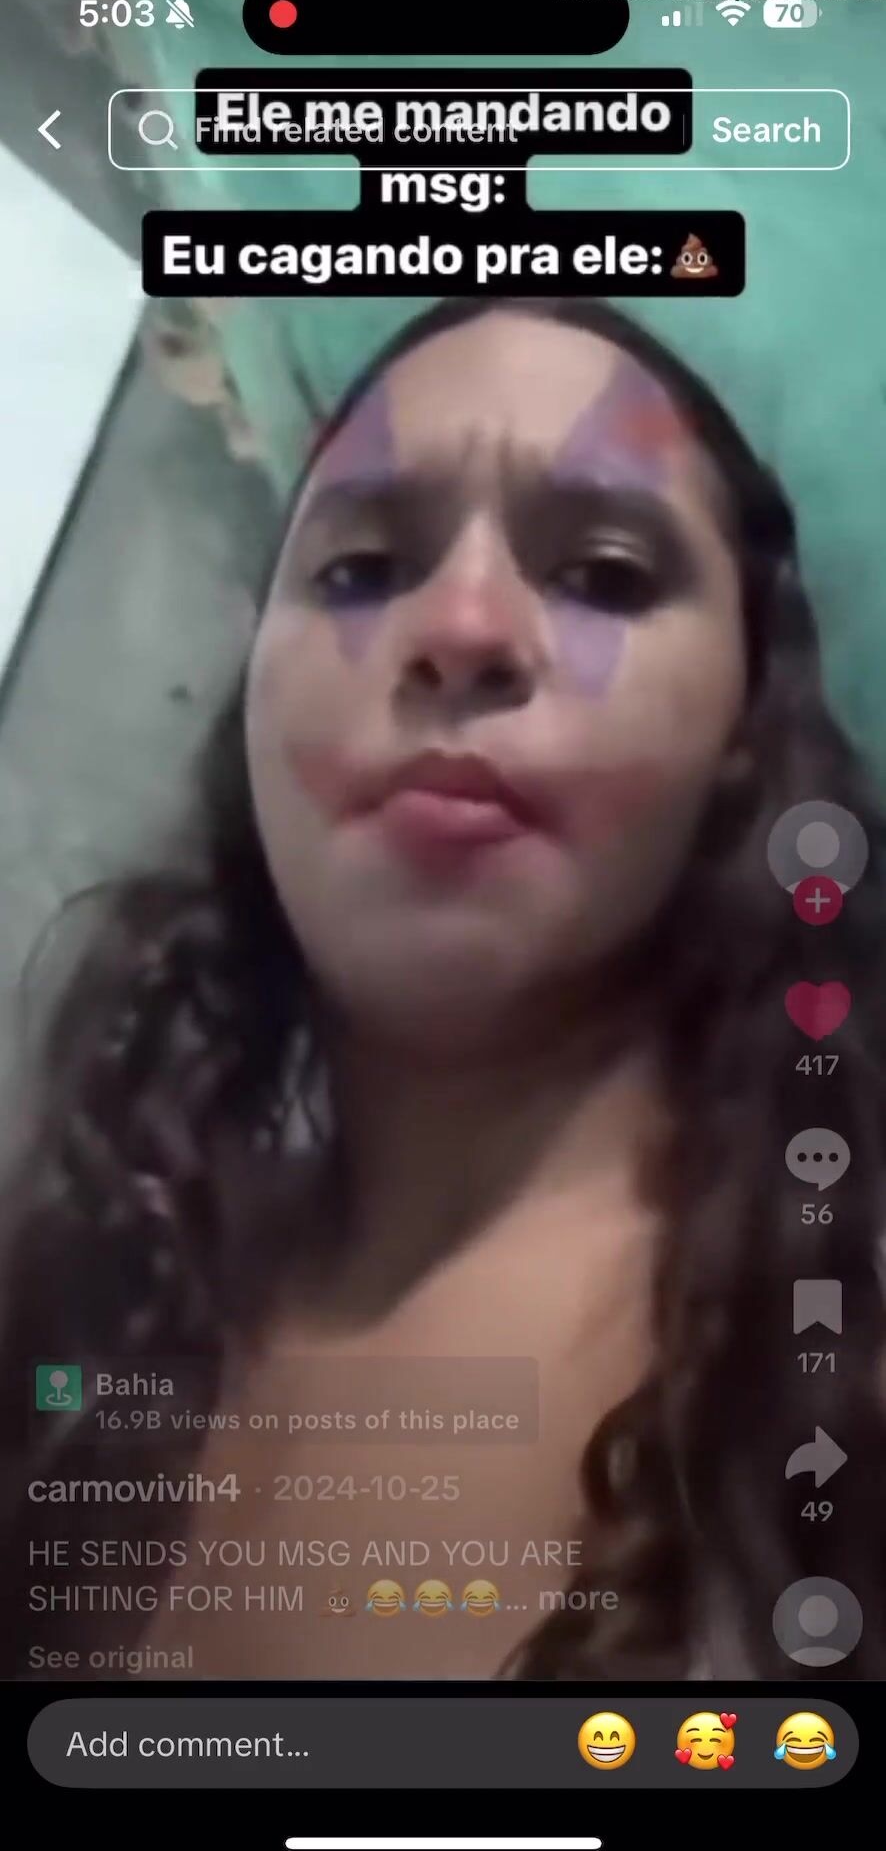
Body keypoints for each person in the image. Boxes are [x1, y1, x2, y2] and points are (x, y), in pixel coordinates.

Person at [1, 296, 885, 1683]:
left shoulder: (847, 1388)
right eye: (360, 569)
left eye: (603, 574)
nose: (461, 627)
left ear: (742, 727)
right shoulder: (75, 1318)